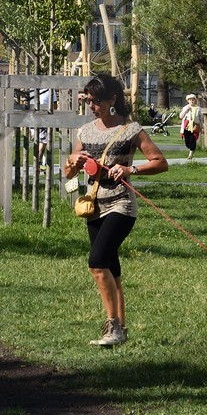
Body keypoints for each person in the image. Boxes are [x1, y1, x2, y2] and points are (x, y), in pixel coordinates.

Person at [62, 74, 169, 348]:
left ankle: (113, 327)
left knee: (97, 263)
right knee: (111, 267)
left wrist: (131, 168)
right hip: (93, 207)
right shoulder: (85, 131)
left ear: (112, 99)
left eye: (96, 101)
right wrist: (73, 160)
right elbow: (68, 172)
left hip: (121, 205)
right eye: (89, 100)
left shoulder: (131, 130)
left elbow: (160, 162)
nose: (92, 106)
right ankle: (121, 327)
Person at [179, 93, 203, 161]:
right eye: (190, 100)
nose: (192, 101)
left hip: (195, 126)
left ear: (195, 100)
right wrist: (186, 110)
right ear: (188, 101)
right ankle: (191, 149)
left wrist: (202, 127)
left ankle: (191, 153)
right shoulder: (185, 107)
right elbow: (181, 116)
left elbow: (201, 119)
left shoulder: (198, 108)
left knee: (193, 139)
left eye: (193, 100)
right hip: (187, 126)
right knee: (187, 142)